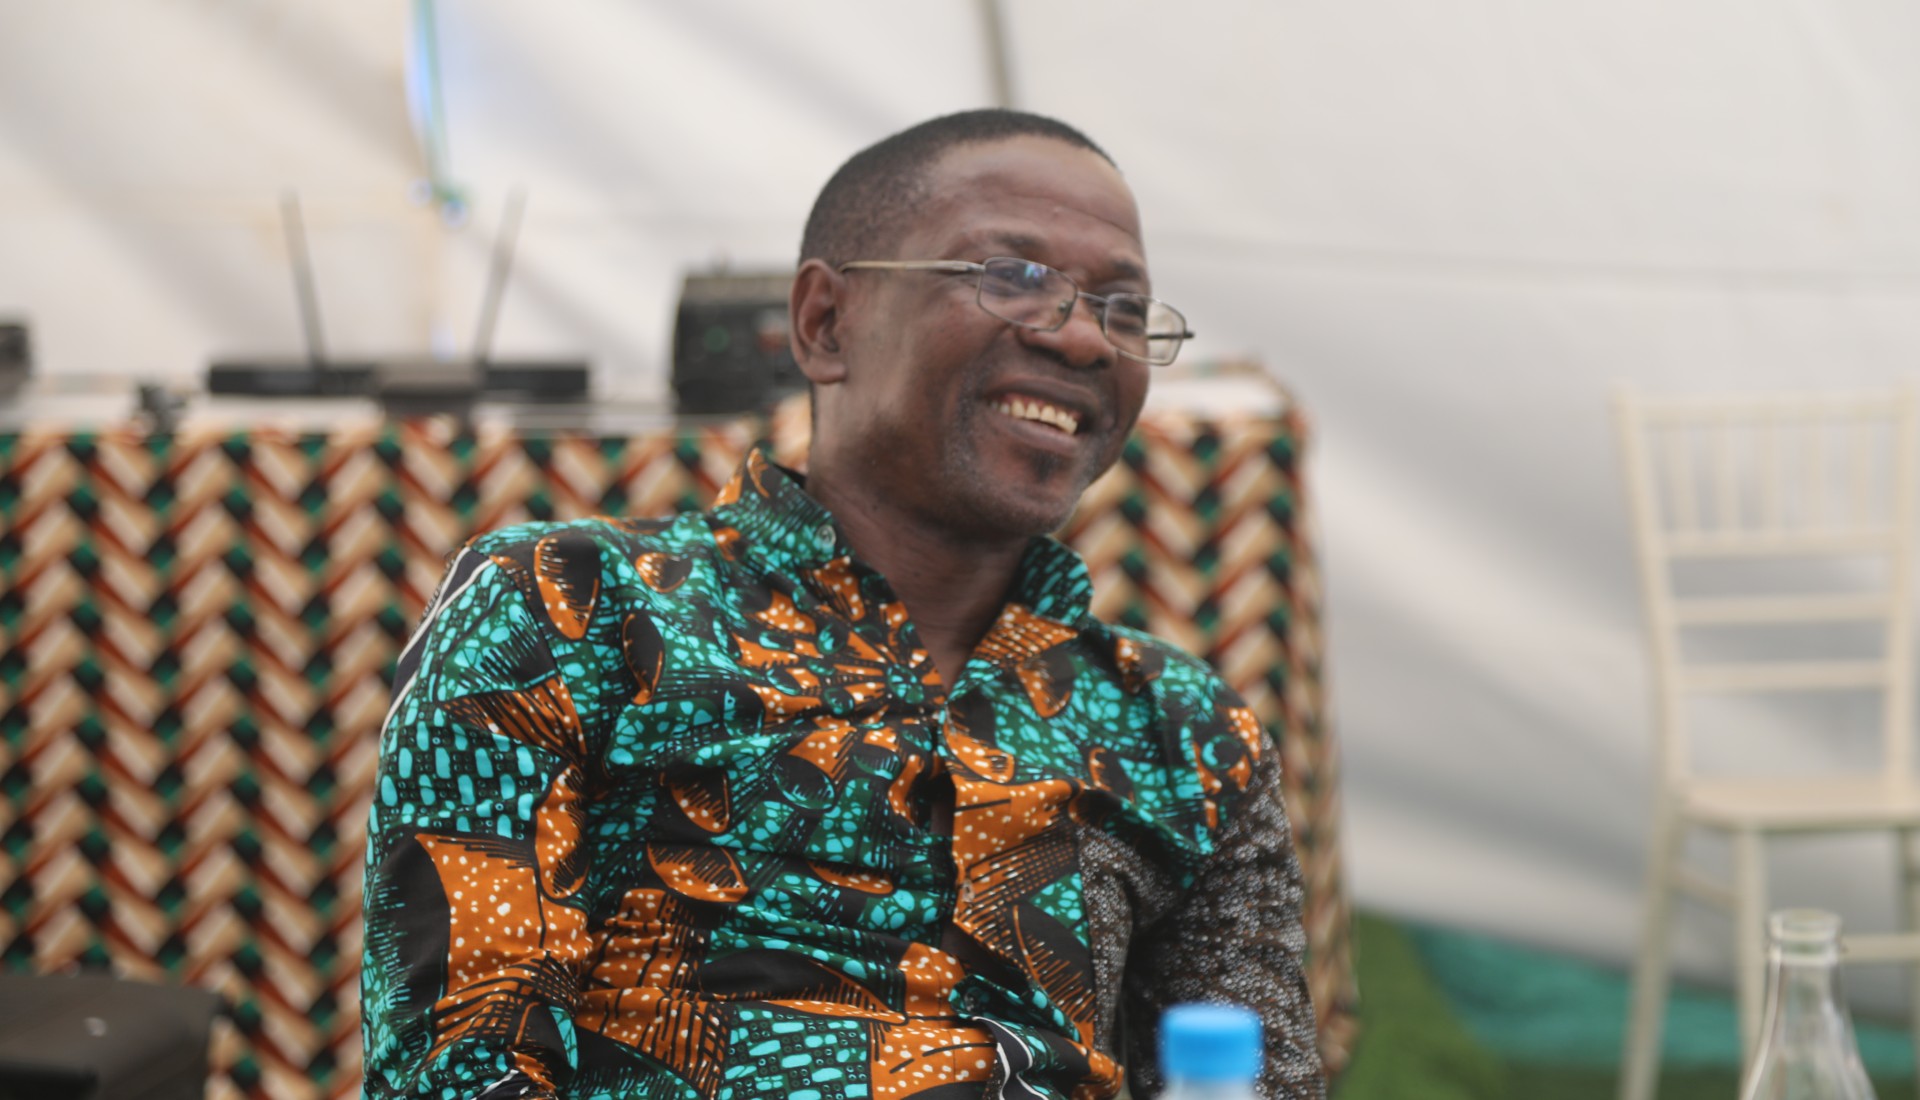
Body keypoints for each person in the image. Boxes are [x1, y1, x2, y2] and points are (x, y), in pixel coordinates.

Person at [360, 108, 1325, 1100]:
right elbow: (460, 1069)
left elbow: (1258, 1081)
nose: (1083, 337)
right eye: (1014, 276)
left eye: (1124, 308)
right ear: (826, 323)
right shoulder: (569, 608)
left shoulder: (1185, 730)